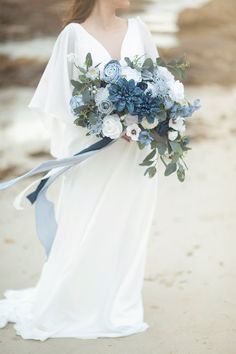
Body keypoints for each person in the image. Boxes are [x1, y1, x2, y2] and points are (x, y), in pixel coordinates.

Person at [0, 0, 159, 341]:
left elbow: (156, 87)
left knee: (128, 223)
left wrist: (146, 122)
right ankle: (76, 299)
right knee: (86, 221)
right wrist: (104, 124)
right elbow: (59, 102)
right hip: (92, 153)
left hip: (133, 155)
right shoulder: (72, 37)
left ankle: (119, 301)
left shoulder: (140, 31)